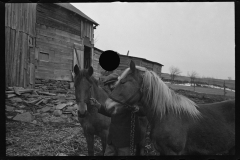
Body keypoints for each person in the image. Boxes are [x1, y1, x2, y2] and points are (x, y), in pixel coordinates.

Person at [90, 72, 144, 156]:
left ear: (119, 82)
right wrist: (98, 106)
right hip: (112, 139)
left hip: (125, 141)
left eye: (113, 83)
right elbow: (111, 113)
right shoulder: (112, 97)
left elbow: (143, 111)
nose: (111, 86)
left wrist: (137, 109)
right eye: (108, 85)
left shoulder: (131, 94)